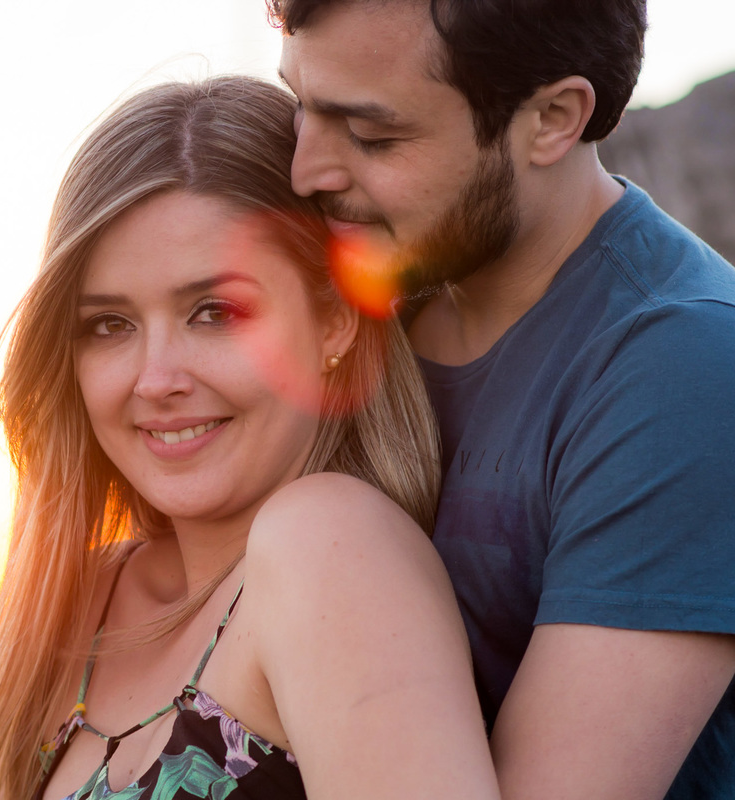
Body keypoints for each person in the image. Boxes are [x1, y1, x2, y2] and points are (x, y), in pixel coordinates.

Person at [0, 76, 501, 800]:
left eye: (214, 312)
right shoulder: (78, 603)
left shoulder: (327, 546)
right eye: (110, 325)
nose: (155, 379)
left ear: (335, 319)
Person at [272, 1, 735, 798]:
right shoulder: (374, 297)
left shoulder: (682, 368)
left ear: (553, 118)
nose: (305, 172)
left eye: (373, 135)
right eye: (300, 107)